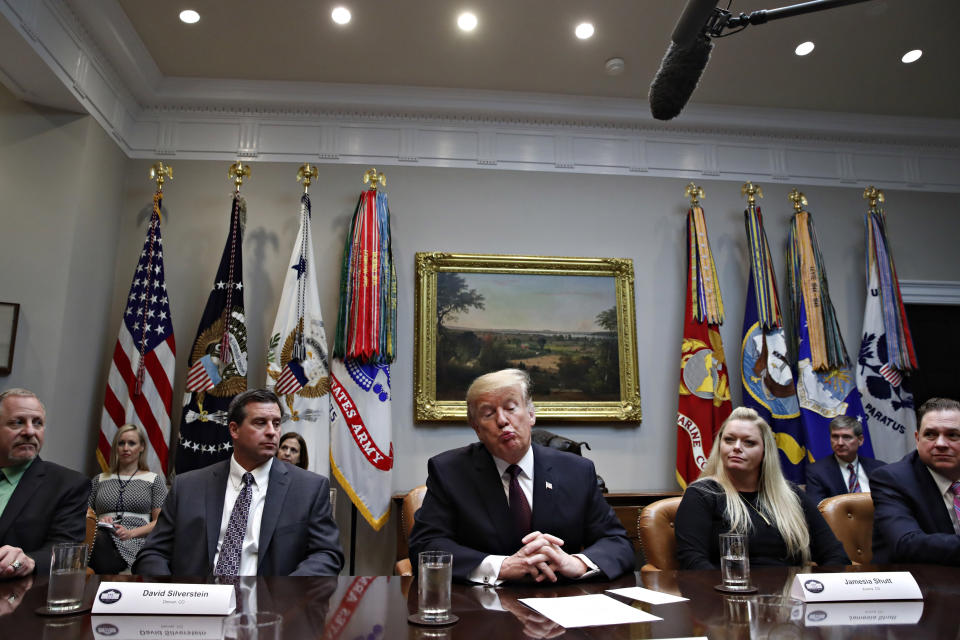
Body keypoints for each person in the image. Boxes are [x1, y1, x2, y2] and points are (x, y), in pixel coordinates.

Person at [408, 369, 634, 584]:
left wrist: (576, 563)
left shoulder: (576, 470)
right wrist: (501, 567)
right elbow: (426, 546)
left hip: (562, 601)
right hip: (483, 607)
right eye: (488, 413)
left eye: (511, 408)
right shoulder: (449, 471)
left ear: (531, 414)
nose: (502, 421)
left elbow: (617, 543)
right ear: (477, 428)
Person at [133, 388, 343, 576]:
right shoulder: (188, 486)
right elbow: (153, 552)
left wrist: (287, 593)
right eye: (260, 423)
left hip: (272, 608)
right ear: (234, 430)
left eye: (277, 423)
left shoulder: (309, 489)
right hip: (197, 606)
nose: (272, 431)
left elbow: (327, 554)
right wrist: (169, 596)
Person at [675, 406, 849, 569]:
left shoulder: (791, 495)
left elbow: (835, 556)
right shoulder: (702, 494)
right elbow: (693, 563)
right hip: (730, 595)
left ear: (765, 452)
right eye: (729, 440)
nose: (736, 448)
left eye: (749, 442)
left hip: (791, 596)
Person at [0, 388, 89, 579]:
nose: (30, 431)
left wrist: (29, 561)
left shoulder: (67, 485)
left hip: (16, 595)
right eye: (17, 422)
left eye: (37, 423)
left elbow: (65, 553)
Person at [871, 397, 960, 564]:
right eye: (930, 435)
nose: (940, 443)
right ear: (917, 439)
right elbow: (907, 544)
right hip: (916, 582)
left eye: (952, 435)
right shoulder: (892, 479)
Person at [89, 424, 167, 571]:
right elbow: (85, 516)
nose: (126, 448)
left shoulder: (153, 480)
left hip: (137, 539)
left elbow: (161, 522)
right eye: (121, 443)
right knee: (98, 539)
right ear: (116, 447)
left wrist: (131, 533)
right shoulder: (99, 479)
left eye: (131, 443)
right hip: (102, 536)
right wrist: (99, 521)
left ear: (142, 447)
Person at [804, 415, 885, 505]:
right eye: (835, 437)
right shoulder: (817, 472)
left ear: (860, 440)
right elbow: (817, 508)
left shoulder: (879, 468)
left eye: (846, 437)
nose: (840, 443)